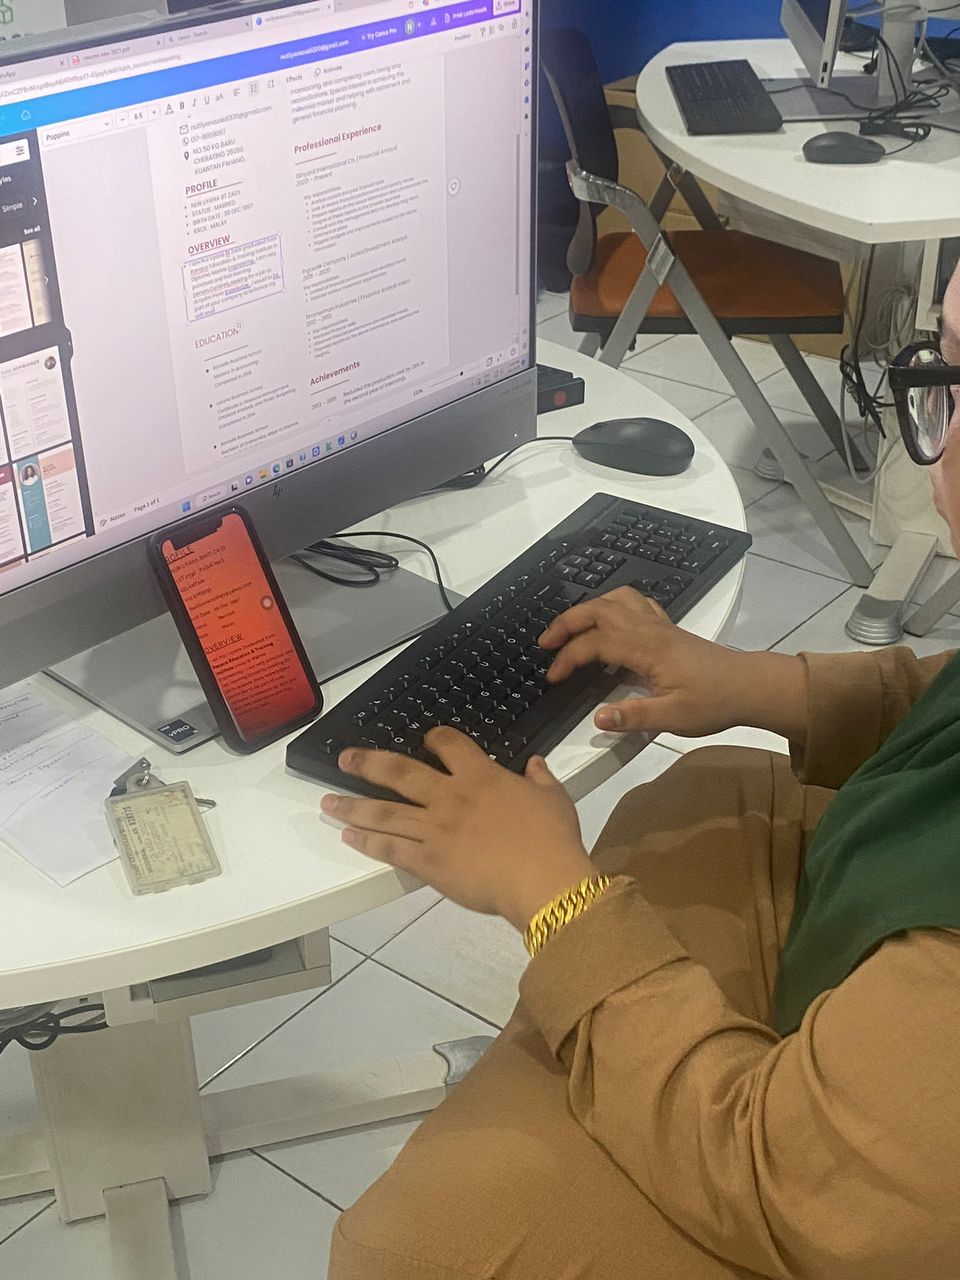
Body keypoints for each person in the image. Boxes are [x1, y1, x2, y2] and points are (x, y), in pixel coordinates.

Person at [323, 271, 960, 1280]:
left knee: (405, 1251)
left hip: (797, 1173)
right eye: (949, 376)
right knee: (694, 793)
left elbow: (789, 1183)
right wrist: (761, 684)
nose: (942, 466)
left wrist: (553, 899)